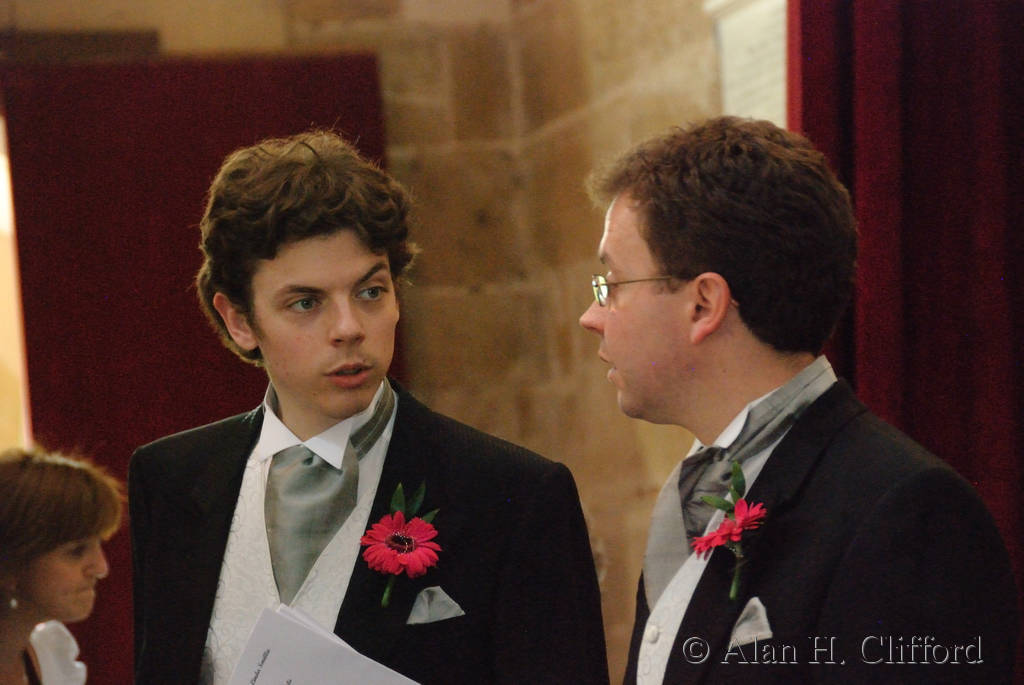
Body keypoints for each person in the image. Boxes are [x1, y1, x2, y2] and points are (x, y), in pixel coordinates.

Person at [129, 130, 609, 684]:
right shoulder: (170, 480)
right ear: (239, 320)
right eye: (305, 302)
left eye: (370, 291)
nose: (349, 327)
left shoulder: (514, 495)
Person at [579, 116, 1018, 684]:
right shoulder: (697, 490)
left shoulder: (910, 516)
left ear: (703, 304)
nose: (592, 316)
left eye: (612, 285)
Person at [0, 446, 124, 685]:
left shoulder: (50, 653)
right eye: (76, 551)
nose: (101, 568)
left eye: (98, 545)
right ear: (10, 563)